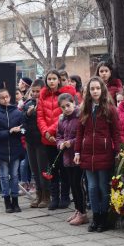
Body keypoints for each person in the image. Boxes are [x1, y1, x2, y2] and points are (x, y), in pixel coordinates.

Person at [75, 77, 121, 231]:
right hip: (87, 155)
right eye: (92, 89)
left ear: (102, 90)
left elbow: (116, 132)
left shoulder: (110, 109)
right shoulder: (84, 109)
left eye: (97, 88)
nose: (95, 91)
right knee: (92, 188)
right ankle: (95, 216)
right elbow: (79, 133)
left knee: (103, 187)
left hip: (104, 154)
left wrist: (118, 151)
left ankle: (104, 218)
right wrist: (77, 151)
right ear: (88, 91)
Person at [37, 69, 77, 210]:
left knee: (64, 168)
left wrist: (51, 130)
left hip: (62, 137)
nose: (52, 81)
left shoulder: (65, 95)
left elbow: (63, 115)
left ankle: (65, 197)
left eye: (54, 78)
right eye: (49, 79)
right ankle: (54, 197)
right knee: (52, 168)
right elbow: (40, 116)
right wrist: (45, 132)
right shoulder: (43, 95)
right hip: (48, 139)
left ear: (59, 80)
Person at [0, 88, 25, 213]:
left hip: (16, 149)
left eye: (7, 97)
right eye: (2, 98)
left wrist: (20, 131)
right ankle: (7, 201)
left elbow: (25, 130)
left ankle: (15, 201)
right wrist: (9, 132)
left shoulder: (18, 113)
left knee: (14, 176)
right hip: (2, 150)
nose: (5, 99)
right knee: (3, 176)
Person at [55, 93, 86, 224]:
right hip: (67, 157)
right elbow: (59, 135)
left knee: (77, 184)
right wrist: (60, 143)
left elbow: (82, 136)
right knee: (72, 185)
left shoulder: (80, 117)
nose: (66, 108)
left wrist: (71, 142)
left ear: (74, 103)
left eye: (68, 105)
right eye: (63, 107)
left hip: (78, 156)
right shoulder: (62, 119)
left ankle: (83, 212)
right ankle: (78, 210)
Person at [22, 79, 46, 207]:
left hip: (41, 141)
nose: (35, 94)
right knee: (34, 170)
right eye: (34, 91)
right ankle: (38, 194)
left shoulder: (45, 103)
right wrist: (27, 113)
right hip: (30, 140)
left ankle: (46, 196)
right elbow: (22, 122)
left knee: (43, 170)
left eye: (38, 91)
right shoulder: (27, 104)